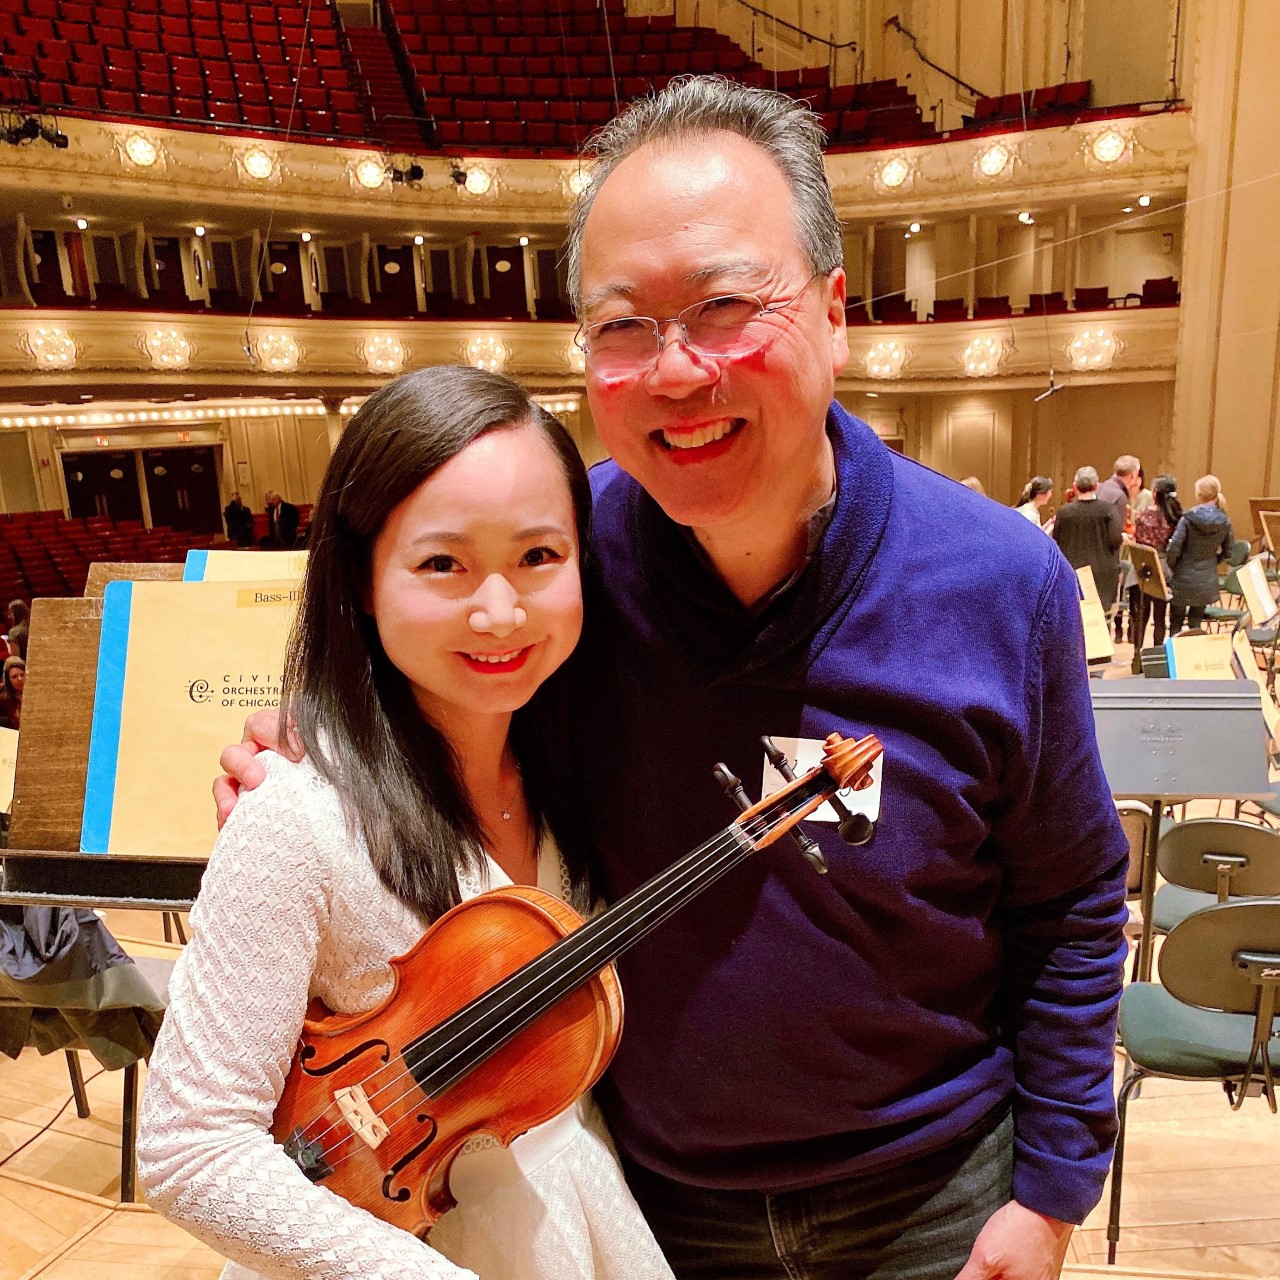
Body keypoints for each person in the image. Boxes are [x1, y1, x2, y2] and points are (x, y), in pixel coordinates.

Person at [218, 78, 1128, 1280]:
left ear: (834, 310)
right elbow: (427, 719)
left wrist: (1052, 1192)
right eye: (623, 326)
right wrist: (315, 753)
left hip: (936, 1198)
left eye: (724, 306)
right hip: (651, 1206)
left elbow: (1068, 903)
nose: (678, 372)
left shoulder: (999, 580)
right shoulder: (555, 572)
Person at [137, 366, 674, 1280]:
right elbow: (188, 1149)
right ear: (361, 578)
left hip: (576, 1206)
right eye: (442, 564)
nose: (500, 611)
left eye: (539, 557)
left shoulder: (575, 769)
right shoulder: (297, 820)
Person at [1166, 473, 1234, 634]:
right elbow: (1229, 551)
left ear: (1199, 494)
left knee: (1175, 622)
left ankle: (1174, 657)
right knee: (1196, 622)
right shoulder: (1224, 520)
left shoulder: (1189, 518)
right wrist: (1213, 561)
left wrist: (1173, 565)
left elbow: (1175, 546)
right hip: (1206, 578)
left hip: (1183, 576)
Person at [1052, 466, 1124, 606]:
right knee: (1100, 620)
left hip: (1071, 573)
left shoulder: (1064, 512)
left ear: (1074, 486)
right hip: (1102, 574)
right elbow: (1115, 540)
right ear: (1096, 486)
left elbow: (1057, 542)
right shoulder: (1109, 510)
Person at [1132, 476, 1181, 647]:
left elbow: (1137, 539)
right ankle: (1157, 657)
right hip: (1164, 569)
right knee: (1159, 619)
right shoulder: (1175, 517)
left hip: (1142, 566)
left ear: (1154, 493)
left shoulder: (1142, 515)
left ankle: (1137, 657)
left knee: (1141, 616)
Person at [0, 656, 24, 730]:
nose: (20, 679)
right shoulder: (3, 699)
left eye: (22, 675)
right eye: (14, 677)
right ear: (9, 680)